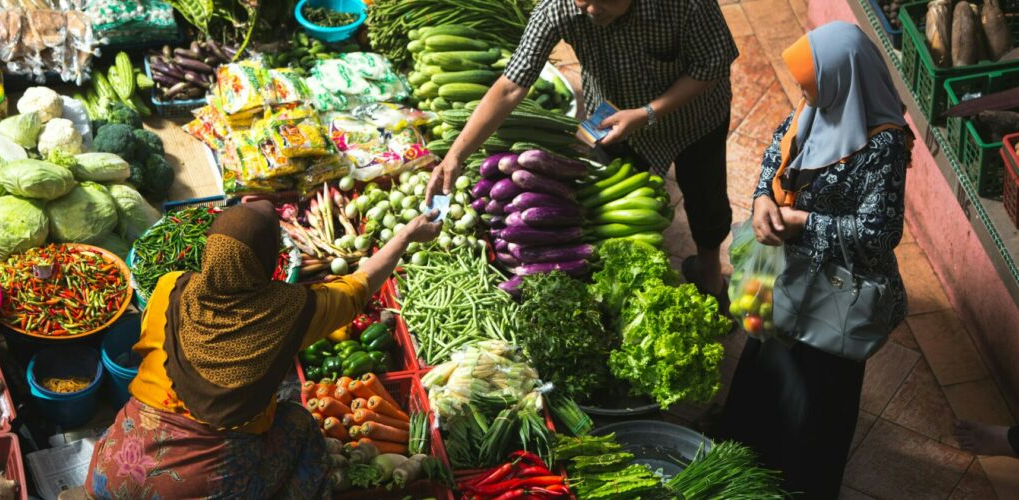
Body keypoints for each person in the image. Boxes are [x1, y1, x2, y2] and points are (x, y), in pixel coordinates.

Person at [84, 201, 441, 499]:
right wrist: (406, 235)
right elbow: (358, 287)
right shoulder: (290, 310)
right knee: (298, 420)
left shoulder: (169, 288)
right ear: (270, 259)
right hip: (199, 490)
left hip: (114, 471)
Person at [424, 0, 739, 304]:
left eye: (605, 0)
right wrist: (456, 155)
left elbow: (710, 66)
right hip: (611, 112)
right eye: (583, 0)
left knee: (705, 199)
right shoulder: (558, 6)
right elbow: (510, 86)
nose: (592, 10)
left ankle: (709, 273)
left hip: (694, 118)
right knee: (605, 190)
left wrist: (645, 113)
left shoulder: (686, 4)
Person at [719, 22, 911, 498]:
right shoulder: (816, 108)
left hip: (832, 294)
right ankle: (744, 459)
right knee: (766, 369)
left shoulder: (883, 147)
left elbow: (879, 235)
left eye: (810, 83)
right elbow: (775, 152)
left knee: (815, 401)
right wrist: (764, 197)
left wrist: (803, 222)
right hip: (784, 275)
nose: (802, 94)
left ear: (842, 79)